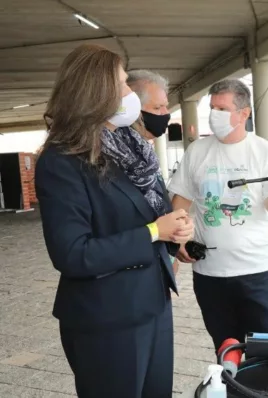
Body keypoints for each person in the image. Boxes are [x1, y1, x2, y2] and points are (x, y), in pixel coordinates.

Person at [35, 44, 194, 398]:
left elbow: (147, 214)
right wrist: (154, 231)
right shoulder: (61, 161)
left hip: (153, 303)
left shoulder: (131, 149)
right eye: (122, 84)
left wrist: (174, 235)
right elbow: (74, 254)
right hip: (106, 318)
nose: (129, 93)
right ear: (95, 92)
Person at [168, 79, 268, 351]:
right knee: (225, 349)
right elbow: (180, 201)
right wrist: (177, 241)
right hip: (209, 274)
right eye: (212, 107)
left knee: (265, 350)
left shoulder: (265, 151)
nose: (215, 115)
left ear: (244, 113)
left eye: (222, 109)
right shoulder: (197, 151)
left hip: (256, 271)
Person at [127, 69, 180, 275]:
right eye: (158, 107)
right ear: (132, 110)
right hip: (134, 270)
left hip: (157, 265)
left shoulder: (145, 153)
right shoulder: (121, 156)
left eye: (166, 106)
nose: (165, 114)